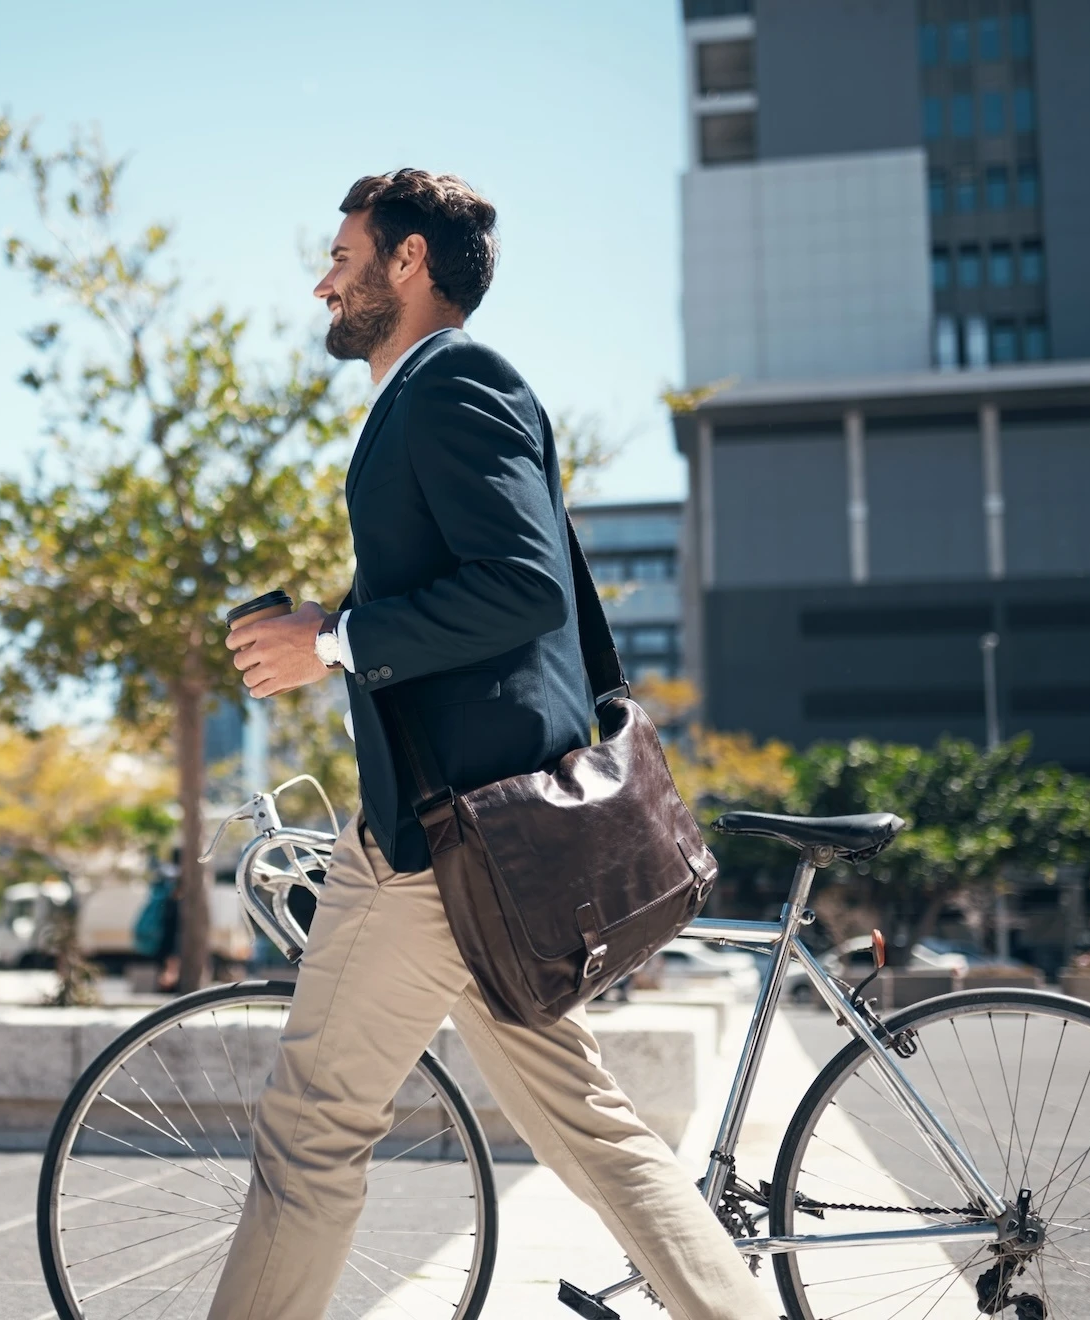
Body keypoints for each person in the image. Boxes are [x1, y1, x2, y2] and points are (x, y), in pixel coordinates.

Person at [213, 171, 775, 1320]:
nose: (322, 279)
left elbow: (520, 587)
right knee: (595, 1136)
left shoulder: (453, 383)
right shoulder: (430, 400)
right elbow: (498, 597)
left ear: (406, 261)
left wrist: (334, 638)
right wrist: (331, 633)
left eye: (341, 253)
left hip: (436, 847)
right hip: (486, 849)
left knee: (311, 1131)